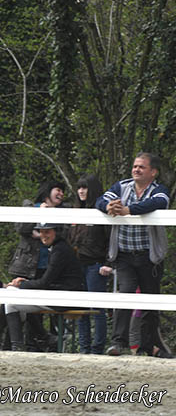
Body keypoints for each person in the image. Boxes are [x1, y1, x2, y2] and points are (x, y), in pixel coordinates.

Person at [96, 152, 171, 358]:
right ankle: (118, 343)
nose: (136, 170)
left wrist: (129, 210)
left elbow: (159, 203)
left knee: (150, 299)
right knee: (126, 293)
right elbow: (101, 200)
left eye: (141, 167)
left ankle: (147, 345)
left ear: (153, 172)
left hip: (149, 256)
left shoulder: (159, 190)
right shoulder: (121, 186)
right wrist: (108, 206)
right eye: (135, 166)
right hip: (124, 254)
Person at [4, 223, 84, 351]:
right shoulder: (57, 248)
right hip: (59, 294)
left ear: (56, 232)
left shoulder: (59, 250)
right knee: (11, 298)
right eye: (41, 232)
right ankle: (29, 341)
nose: (43, 235)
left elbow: (44, 283)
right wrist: (23, 284)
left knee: (11, 298)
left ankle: (19, 344)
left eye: (47, 232)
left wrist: (21, 284)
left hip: (66, 297)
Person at [7, 180, 67, 350]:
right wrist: (38, 214)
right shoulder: (30, 206)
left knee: (42, 307)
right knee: (23, 306)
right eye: (58, 190)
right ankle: (29, 344)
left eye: (63, 191)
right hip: (27, 267)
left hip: (49, 267)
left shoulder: (63, 212)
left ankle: (47, 343)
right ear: (48, 191)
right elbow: (20, 227)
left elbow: (63, 235)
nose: (61, 194)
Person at [68, 174, 111, 354]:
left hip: (96, 265)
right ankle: (84, 348)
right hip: (77, 265)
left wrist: (108, 263)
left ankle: (97, 348)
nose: (81, 191)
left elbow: (110, 239)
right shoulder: (75, 212)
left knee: (97, 308)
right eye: (79, 187)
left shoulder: (102, 211)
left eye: (84, 187)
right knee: (81, 308)